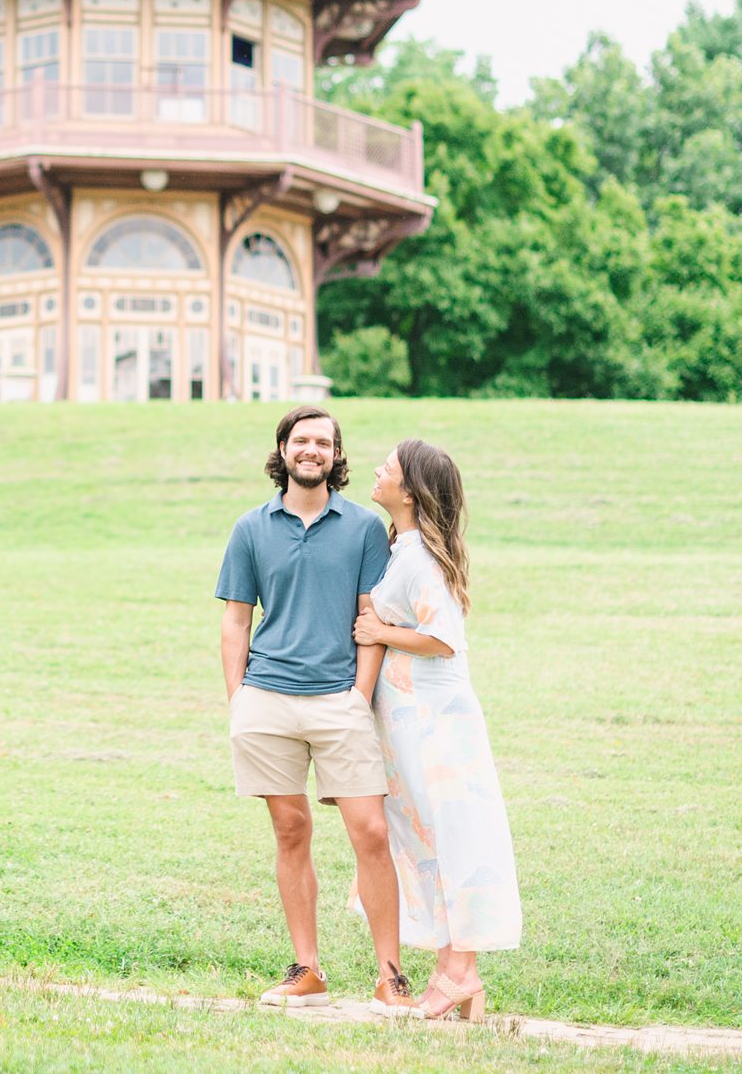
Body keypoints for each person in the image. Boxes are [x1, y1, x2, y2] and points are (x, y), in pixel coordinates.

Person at [216, 405, 415, 1015]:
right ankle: (308, 970)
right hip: (266, 698)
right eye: (301, 440)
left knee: (372, 835)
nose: (312, 450)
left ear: (335, 455)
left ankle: (390, 976)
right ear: (283, 448)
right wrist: (239, 700)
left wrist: (358, 695)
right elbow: (235, 620)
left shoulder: (360, 528)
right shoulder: (251, 528)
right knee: (290, 830)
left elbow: (371, 622)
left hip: (339, 702)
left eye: (323, 443)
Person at [352, 438, 521, 1021]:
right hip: (409, 722)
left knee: (452, 839)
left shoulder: (422, 556)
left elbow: (444, 639)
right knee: (427, 842)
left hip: (436, 725)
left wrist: (379, 631)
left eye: (388, 467)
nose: (376, 470)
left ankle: (461, 971)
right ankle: (457, 974)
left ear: (410, 490)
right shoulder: (404, 548)